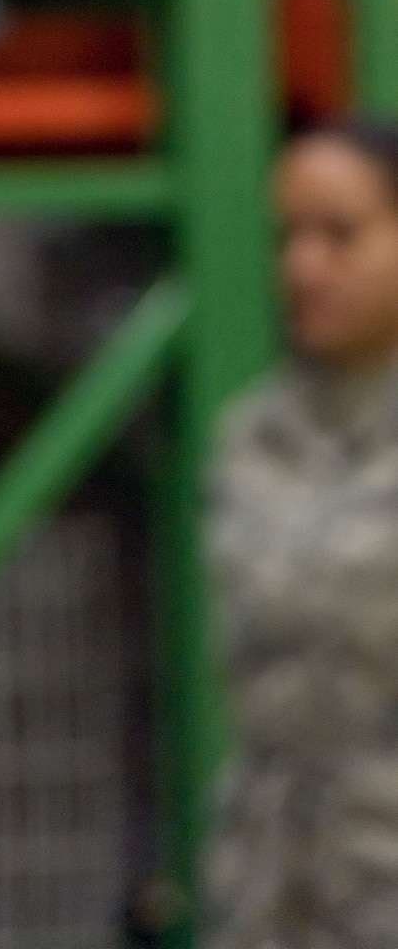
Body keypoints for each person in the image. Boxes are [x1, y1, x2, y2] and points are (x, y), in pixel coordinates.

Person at [205, 119, 398, 949]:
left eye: (340, 235)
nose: (303, 266)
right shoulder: (253, 439)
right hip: (274, 897)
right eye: (290, 235)